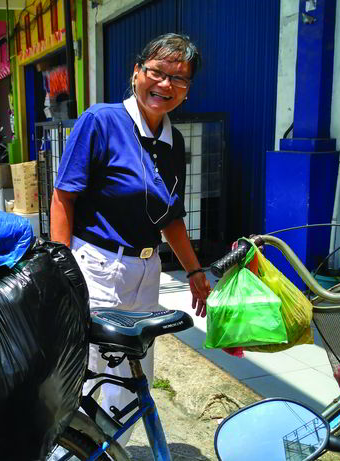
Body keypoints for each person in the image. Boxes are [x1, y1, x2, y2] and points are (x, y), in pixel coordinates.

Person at [50, 33, 211, 445]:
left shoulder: (174, 141)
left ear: (187, 90)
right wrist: (59, 268)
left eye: (179, 79)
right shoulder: (101, 120)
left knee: (130, 381)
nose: (165, 85)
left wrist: (194, 270)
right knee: (85, 375)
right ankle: (67, 451)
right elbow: (63, 195)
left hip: (146, 271)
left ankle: (108, 452)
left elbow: (170, 217)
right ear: (136, 72)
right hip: (96, 268)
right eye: (157, 72)